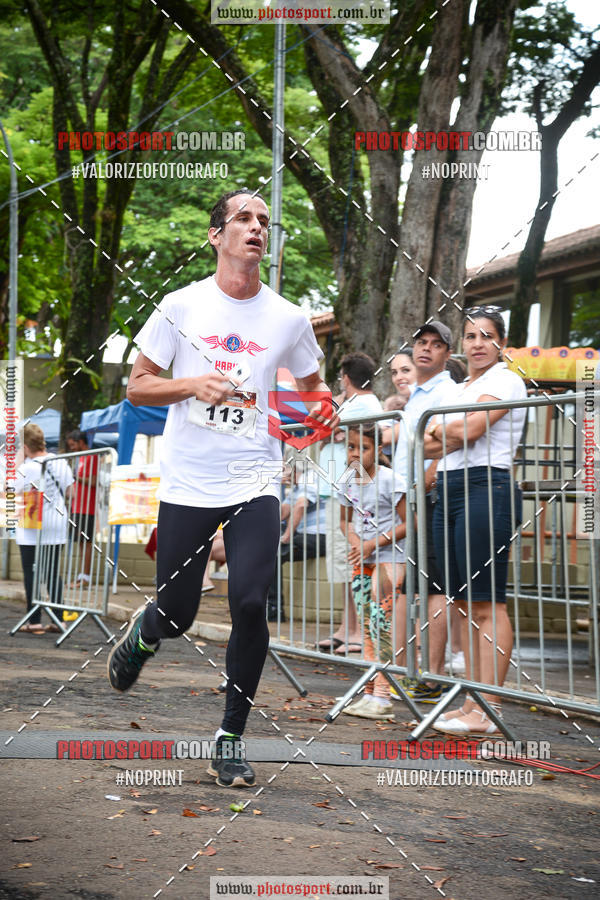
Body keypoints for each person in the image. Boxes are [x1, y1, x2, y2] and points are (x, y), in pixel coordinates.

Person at [107, 188, 334, 788]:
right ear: (217, 236)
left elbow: (314, 393)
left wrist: (313, 418)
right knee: (179, 612)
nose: (256, 227)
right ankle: (147, 631)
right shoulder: (180, 306)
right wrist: (192, 386)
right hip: (188, 479)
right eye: (243, 218)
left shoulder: (287, 318)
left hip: (254, 478)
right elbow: (137, 387)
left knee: (250, 602)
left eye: (264, 220)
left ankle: (230, 736)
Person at [424, 307, 526, 736]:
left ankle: (489, 707)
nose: (478, 343)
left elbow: (468, 433)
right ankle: (471, 702)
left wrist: (441, 431)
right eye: (470, 336)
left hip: (488, 487)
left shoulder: (506, 380)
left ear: (501, 342)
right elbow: (429, 446)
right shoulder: (457, 388)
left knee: (487, 601)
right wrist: (447, 431)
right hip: (448, 489)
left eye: (487, 336)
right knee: (462, 601)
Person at [391, 321, 459, 702]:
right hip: (412, 497)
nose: (426, 349)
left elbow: (445, 444)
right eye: (421, 342)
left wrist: (423, 486)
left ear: (447, 354)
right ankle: (407, 671)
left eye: (436, 344)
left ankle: (431, 676)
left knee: (435, 586)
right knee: (413, 584)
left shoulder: (447, 392)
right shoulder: (418, 394)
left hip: (432, 495)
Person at [317, 352, 384, 655]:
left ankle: (358, 631)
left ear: (346, 378)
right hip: (342, 489)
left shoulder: (360, 405)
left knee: (353, 563)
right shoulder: (362, 404)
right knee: (345, 565)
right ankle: (348, 628)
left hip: (351, 491)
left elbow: (323, 427)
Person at [339, 425, 407, 720]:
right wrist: (357, 544)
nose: (355, 453)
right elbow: (345, 521)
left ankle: (382, 696)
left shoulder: (390, 480)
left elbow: (409, 523)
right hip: (363, 557)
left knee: (381, 623)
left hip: (389, 559)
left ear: (378, 450)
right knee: (367, 624)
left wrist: (372, 544)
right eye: (351, 447)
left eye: (362, 448)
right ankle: (368, 691)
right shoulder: (346, 480)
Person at [15, 424, 74, 633]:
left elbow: (9, 491)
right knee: (52, 573)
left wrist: (19, 462)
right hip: (57, 524)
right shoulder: (61, 462)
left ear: (25, 445)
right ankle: (59, 620)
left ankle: (34, 621)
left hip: (32, 527)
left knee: (31, 573)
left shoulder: (27, 467)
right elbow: (70, 493)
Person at [267, 462, 327, 622]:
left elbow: (300, 506)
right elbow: (282, 513)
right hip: (303, 536)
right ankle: (270, 608)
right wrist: (273, 488)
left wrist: (286, 537)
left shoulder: (310, 477)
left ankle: (273, 609)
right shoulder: (295, 489)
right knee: (266, 550)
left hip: (320, 536)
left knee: (273, 553)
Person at [65, 430, 99, 588]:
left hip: (87, 508)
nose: (71, 448)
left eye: (73, 445)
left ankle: (85, 578)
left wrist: (75, 477)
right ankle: (81, 576)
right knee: (80, 542)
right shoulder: (82, 458)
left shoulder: (93, 456)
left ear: (81, 442)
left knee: (86, 543)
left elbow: (93, 481)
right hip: (77, 507)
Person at [381, 349, 417, 446]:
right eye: (394, 373)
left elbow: (384, 438)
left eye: (405, 370)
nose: (398, 377)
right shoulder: (394, 404)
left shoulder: (428, 399)